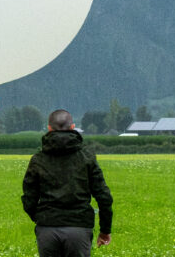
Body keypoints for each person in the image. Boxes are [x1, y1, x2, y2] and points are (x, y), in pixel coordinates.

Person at [21, 109, 113, 257]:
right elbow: (104, 196)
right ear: (72, 127)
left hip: (47, 228)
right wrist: (105, 230)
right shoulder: (87, 157)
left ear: (49, 128)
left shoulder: (38, 159)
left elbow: (29, 198)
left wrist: (41, 217)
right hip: (79, 227)